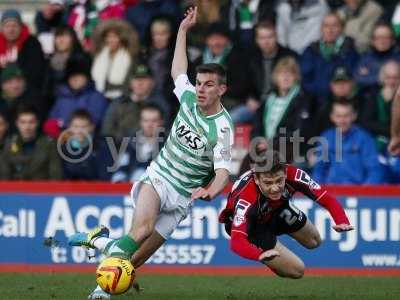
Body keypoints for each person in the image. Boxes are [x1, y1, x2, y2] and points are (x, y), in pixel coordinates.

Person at [68, 7, 234, 299]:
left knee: (135, 260)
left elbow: (222, 171)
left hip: (183, 198)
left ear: (222, 89)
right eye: (199, 83)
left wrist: (212, 191)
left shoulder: (222, 128)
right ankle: (99, 293)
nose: (201, 90)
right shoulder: (188, 98)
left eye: (209, 85)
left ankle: (100, 242)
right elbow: (177, 72)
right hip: (159, 177)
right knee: (141, 229)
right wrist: (182, 30)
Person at [219, 150, 353, 278]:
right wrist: (259, 254)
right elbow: (236, 242)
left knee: (314, 241)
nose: (275, 188)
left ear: (285, 172)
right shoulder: (246, 199)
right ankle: (271, 252)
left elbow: (326, 199)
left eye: (279, 181)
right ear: (257, 179)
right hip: (254, 226)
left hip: (276, 209)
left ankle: (281, 217)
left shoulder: (294, 174)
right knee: (297, 271)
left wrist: (342, 220)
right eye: (268, 183)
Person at [312, 99, 384, 184]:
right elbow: (319, 171)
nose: (342, 120)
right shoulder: (326, 137)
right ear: (332, 117)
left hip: (358, 192)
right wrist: (320, 193)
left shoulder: (365, 138)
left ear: (354, 116)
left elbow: (374, 171)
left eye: (346, 116)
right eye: (338, 116)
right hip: (331, 191)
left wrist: (364, 193)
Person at [101, 64, 170, 144]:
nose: (139, 83)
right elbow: (106, 130)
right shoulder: (119, 102)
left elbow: (163, 131)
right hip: (117, 147)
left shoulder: (161, 104)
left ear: (152, 82)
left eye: (144, 79)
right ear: (130, 82)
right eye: (136, 79)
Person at [300, 13, 359, 103]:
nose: (330, 30)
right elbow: (304, 78)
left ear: (341, 28)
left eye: (334, 26)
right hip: (314, 101)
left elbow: (353, 78)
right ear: (321, 29)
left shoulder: (350, 51)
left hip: (341, 102)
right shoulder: (311, 51)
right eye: (326, 26)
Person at [0, 105, 63, 180]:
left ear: (37, 123)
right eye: (23, 122)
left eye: (31, 122)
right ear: (17, 123)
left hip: (42, 190)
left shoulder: (50, 144)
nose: (27, 127)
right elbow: (5, 177)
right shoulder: (9, 144)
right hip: (15, 190)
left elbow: (56, 176)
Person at [111, 104, 165, 182]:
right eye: (146, 121)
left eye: (154, 121)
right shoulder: (130, 143)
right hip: (127, 187)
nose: (149, 125)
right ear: (140, 122)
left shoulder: (167, 145)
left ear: (161, 122)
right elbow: (121, 166)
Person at [91, 19, 140, 100]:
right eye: (108, 37)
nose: (111, 40)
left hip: (120, 96)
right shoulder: (99, 55)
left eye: (114, 37)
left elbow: (130, 81)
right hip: (99, 95)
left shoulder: (128, 57)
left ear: (121, 38)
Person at [60, 109, 113, 180]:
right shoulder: (63, 149)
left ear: (92, 127)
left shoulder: (101, 148)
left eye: (84, 127)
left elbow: (105, 176)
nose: (79, 131)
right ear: (69, 127)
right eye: (76, 127)